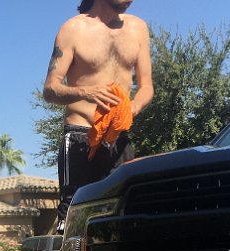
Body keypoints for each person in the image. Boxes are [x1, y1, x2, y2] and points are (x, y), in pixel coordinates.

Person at [43, 0, 153, 232]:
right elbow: (50, 90)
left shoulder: (138, 28)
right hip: (80, 136)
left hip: (118, 138)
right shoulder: (73, 29)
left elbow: (146, 87)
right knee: (75, 220)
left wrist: (132, 107)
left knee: (123, 218)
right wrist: (86, 92)